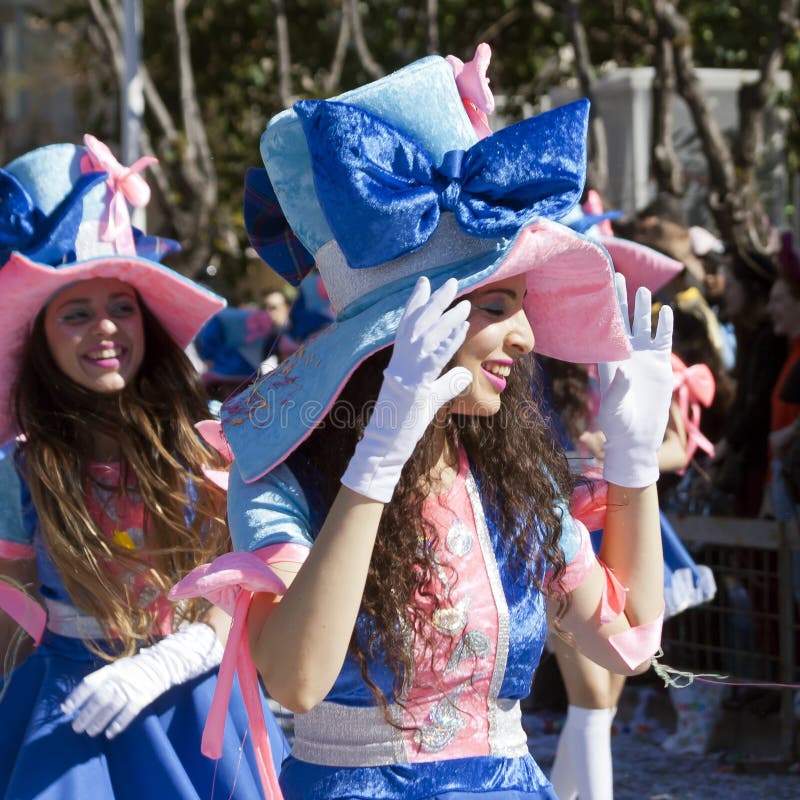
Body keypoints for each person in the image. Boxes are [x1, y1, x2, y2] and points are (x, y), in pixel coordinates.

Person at [173, 49, 673, 800]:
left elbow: (628, 638)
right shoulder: (282, 476)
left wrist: (636, 471)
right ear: (410, 326)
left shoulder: (514, 477)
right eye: (497, 307)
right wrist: (376, 458)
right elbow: (298, 678)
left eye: (520, 306)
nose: (529, 338)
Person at [0, 136, 288, 799]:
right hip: (70, 716)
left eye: (120, 307)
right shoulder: (22, 470)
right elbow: (10, 620)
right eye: (76, 313)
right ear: (41, 338)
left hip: (197, 711)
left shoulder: (210, 445)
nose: (105, 328)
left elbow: (255, 582)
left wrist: (182, 654)